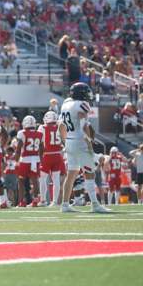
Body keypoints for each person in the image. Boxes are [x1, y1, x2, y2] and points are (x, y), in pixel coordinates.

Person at [58, 83, 111, 213]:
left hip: (69, 141)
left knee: (71, 174)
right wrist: (88, 141)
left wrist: (65, 142)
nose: (88, 95)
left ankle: (65, 205)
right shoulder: (81, 104)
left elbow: (61, 126)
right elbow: (84, 124)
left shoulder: (65, 105)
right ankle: (95, 204)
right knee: (89, 173)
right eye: (86, 92)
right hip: (79, 141)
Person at [38, 110, 66, 206]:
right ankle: (55, 201)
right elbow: (64, 141)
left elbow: (40, 144)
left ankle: (43, 200)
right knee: (56, 179)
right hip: (58, 155)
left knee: (43, 179)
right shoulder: (60, 126)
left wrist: (40, 158)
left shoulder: (42, 127)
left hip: (47, 155)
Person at [16, 115, 42, 207]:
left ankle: (21, 201)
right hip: (35, 159)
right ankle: (35, 200)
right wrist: (41, 159)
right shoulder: (39, 133)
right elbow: (41, 148)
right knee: (35, 180)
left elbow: (19, 148)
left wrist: (16, 160)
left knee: (21, 180)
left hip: (25, 159)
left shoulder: (22, 133)